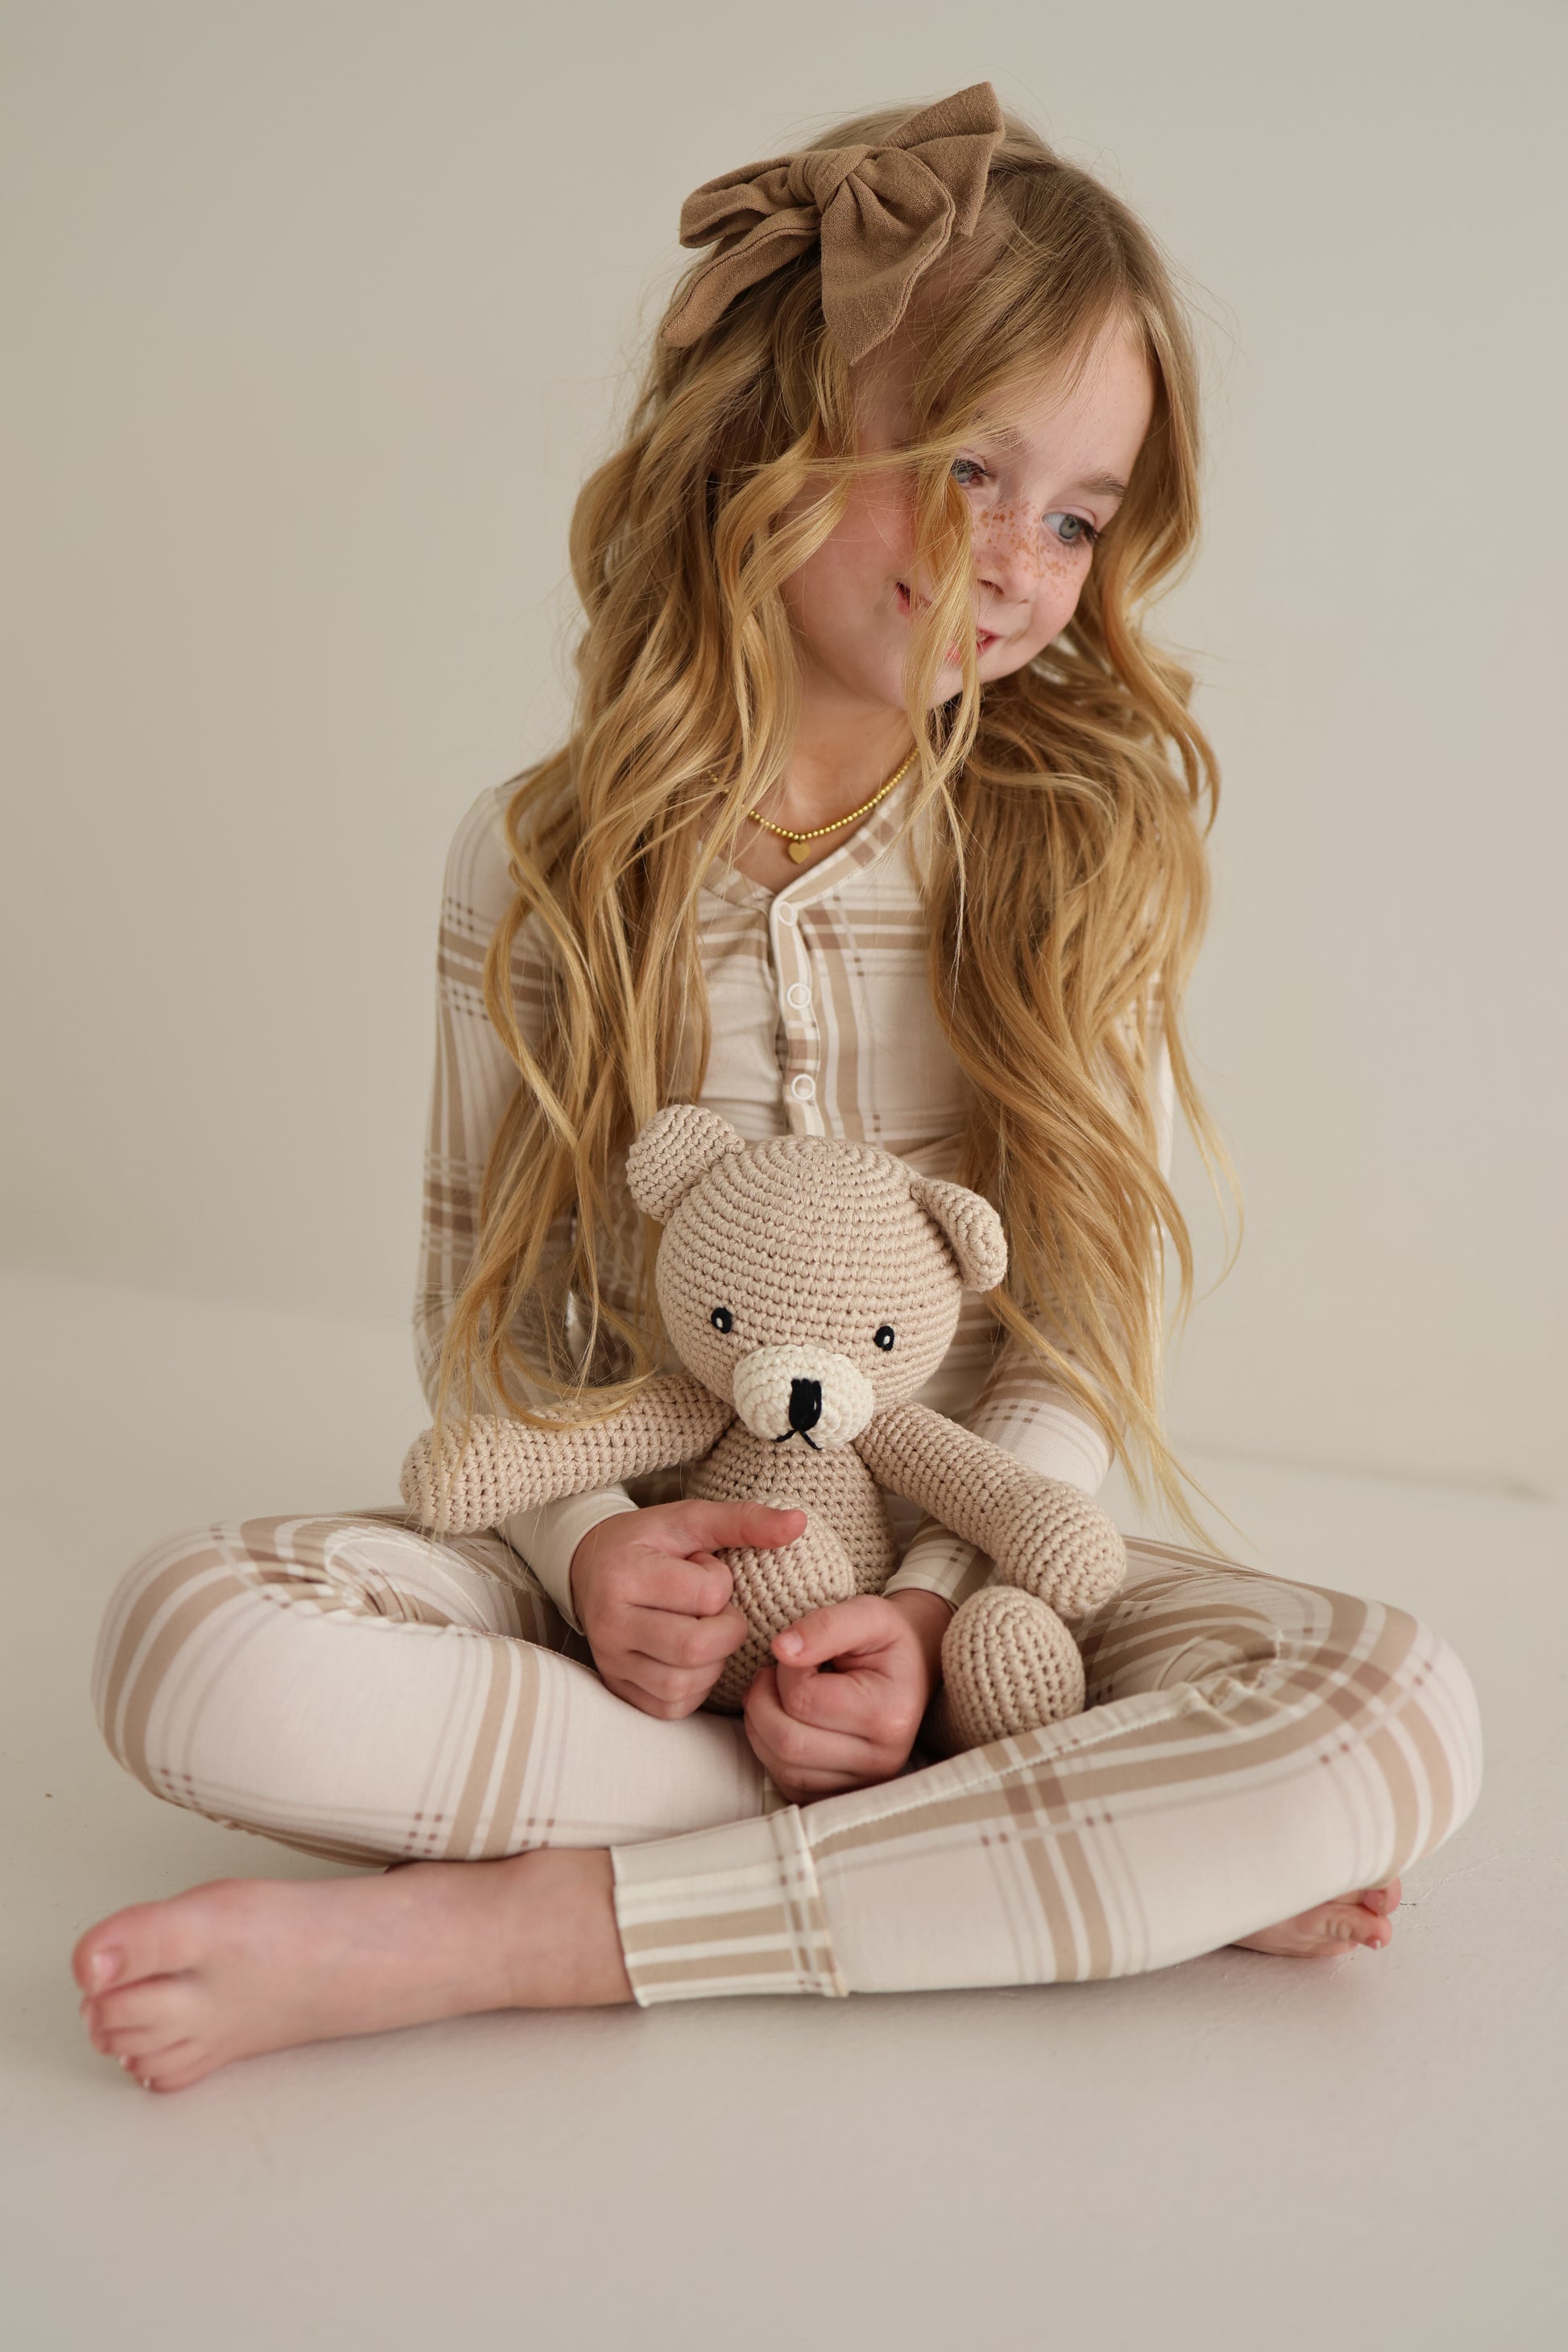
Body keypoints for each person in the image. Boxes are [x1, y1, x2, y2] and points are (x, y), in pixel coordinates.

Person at [74, 85, 1481, 2093]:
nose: (1019, 560)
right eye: (972, 466)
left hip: (969, 1569)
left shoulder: (1074, 851)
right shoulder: (543, 855)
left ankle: (529, 1924)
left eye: (1080, 514)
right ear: (771, 439)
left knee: (1399, 1716)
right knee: (190, 1637)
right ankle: (1041, 1839)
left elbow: (1074, 1330)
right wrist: (580, 1555)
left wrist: (929, 1615)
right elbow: (487, 1327)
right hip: (631, 1601)